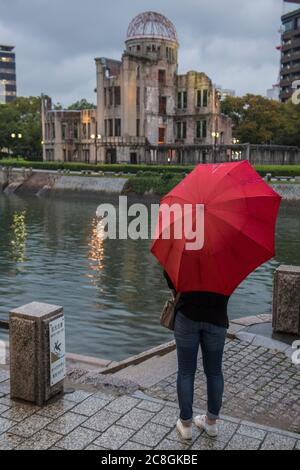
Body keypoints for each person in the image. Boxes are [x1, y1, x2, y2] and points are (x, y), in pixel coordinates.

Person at [164, 271, 230, 440]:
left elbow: (169, 275)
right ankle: (211, 423)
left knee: (186, 371)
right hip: (217, 316)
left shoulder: (185, 246)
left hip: (187, 315)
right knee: (214, 372)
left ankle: (186, 425)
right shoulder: (226, 250)